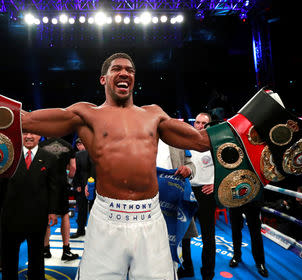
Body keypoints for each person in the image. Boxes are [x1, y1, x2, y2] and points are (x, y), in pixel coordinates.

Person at [20, 52, 210, 279]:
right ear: (103, 79)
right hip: (106, 218)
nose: (124, 73)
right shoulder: (85, 114)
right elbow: (26, 120)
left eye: (130, 70)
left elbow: (200, 141)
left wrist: (252, 121)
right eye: (117, 69)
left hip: (150, 218)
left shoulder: (154, 114)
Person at [0, 132, 60, 280]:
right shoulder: (9, 157)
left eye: (33, 133)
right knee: (9, 254)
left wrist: (53, 211)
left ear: (40, 136)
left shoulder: (50, 158)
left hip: (38, 215)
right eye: (25, 132)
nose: (29, 136)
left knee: (36, 253)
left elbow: (53, 188)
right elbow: (0, 187)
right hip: (11, 215)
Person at [155, 138, 198, 277]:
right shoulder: (140, 138)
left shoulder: (177, 141)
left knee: (176, 238)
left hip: (173, 199)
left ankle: (175, 271)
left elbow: (190, 164)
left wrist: (188, 170)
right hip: (148, 199)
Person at [185, 112, 217, 280]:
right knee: (184, 234)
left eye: (204, 123)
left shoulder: (216, 144)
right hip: (188, 191)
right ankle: (187, 267)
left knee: (208, 236)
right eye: (197, 122)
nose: (200, 126)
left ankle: (208, 274)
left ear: (209, 125)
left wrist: (215, 183)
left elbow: (228, 167)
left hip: (206, 193)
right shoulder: (185, 142)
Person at [41, 137, 79, 261]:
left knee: (46, 214)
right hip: (62, 183)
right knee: (65, 215)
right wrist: (68, 179)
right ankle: (66, 250)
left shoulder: (41, 145)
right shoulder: (67, 145)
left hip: (45, 184)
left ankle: (45, 249)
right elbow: (73, 168)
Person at [228, 200, 268, 277]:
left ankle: (260, 263)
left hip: (252, 198)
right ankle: (236, 256)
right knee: (235, 229)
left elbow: (263, 187)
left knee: (256, 233)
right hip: (234, 198)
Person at [71, 138, 93, 238]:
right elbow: (77, 171)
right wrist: (77, 185)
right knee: (81, 209)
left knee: (95, 210)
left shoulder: (97, 152)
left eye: (82, 144)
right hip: (83, 184)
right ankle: (80, 230)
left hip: (96, 185)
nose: (80, 146)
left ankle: (95, 232)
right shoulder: (78, 155)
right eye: (78, 144)